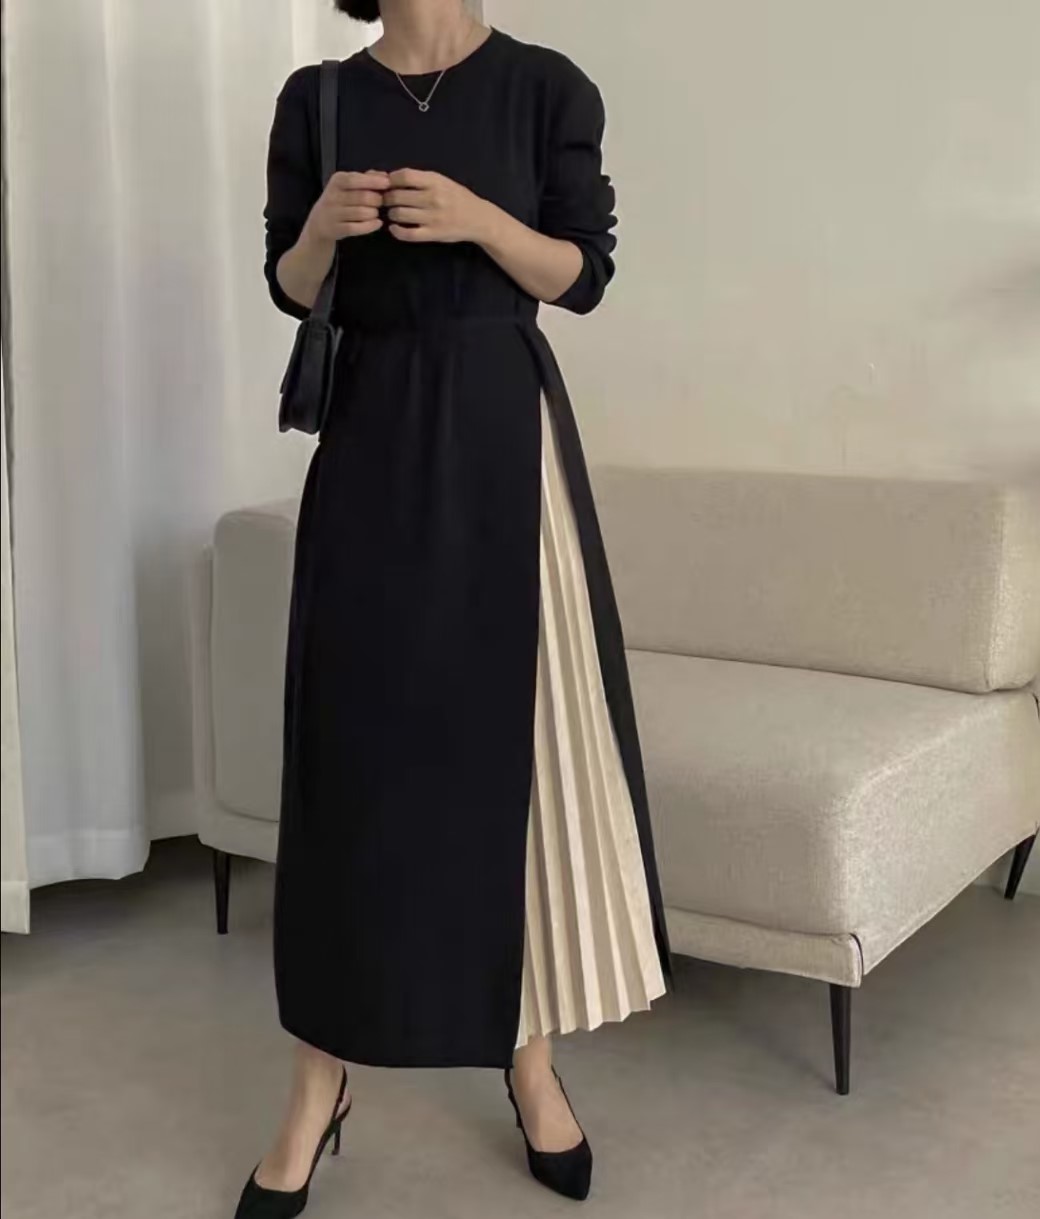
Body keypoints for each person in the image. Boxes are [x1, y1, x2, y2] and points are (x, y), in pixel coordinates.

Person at [236, 2, 670, 1214]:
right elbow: (288, 286)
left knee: (506, 754)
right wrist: (320, 230)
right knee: (349, 762)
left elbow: (583, 276)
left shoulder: (545, 87)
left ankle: (527, 1060)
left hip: (497, 434)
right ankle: (319, 1081)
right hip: (369, 434)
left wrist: (480, 220)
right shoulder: (319, 98)